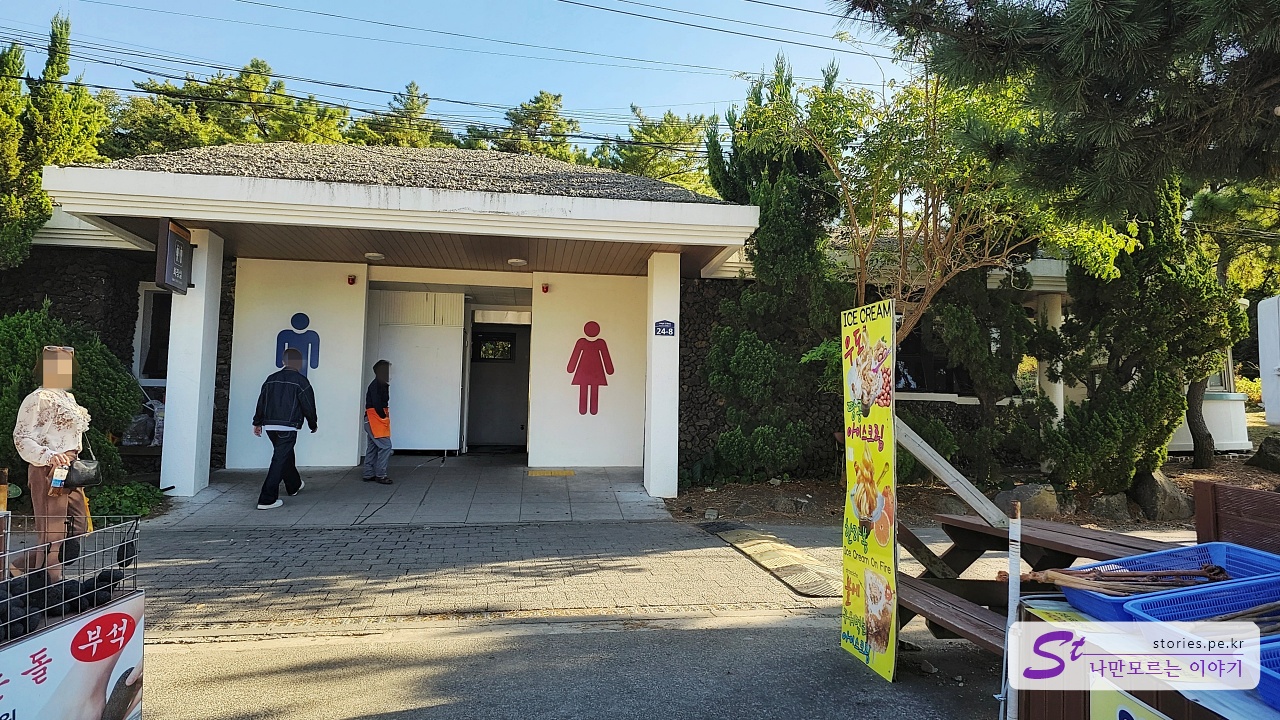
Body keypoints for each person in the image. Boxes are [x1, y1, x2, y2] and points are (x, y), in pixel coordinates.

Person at [12, 345, 91, 581]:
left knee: (78, 526)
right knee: (52, 533)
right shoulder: (38, 398)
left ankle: (16, 569)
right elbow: (21, 436)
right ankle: (50, 584)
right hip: (48, 468)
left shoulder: (67, 397)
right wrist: (48, 455)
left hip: (71, 468)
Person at [252, 347, 317, 509]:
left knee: (284, 455)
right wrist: (312, 423)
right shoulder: (301, 381)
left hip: (270, 426)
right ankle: (267, 499)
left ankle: (294, 485)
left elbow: (261, 402)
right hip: (288, 426)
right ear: (300, 363)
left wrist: (257, 422)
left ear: (283, 362)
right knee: (279, 459)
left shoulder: (271, 379)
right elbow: (308, 405)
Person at [363, 359, 393, 485]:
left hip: (371, 419)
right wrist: (383, 416)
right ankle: (381, 475)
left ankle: (368, 473)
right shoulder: (378, 385)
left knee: (373, 446)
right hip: (376, 420)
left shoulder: (376, 384)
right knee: (386, 446)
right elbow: (377, 403)